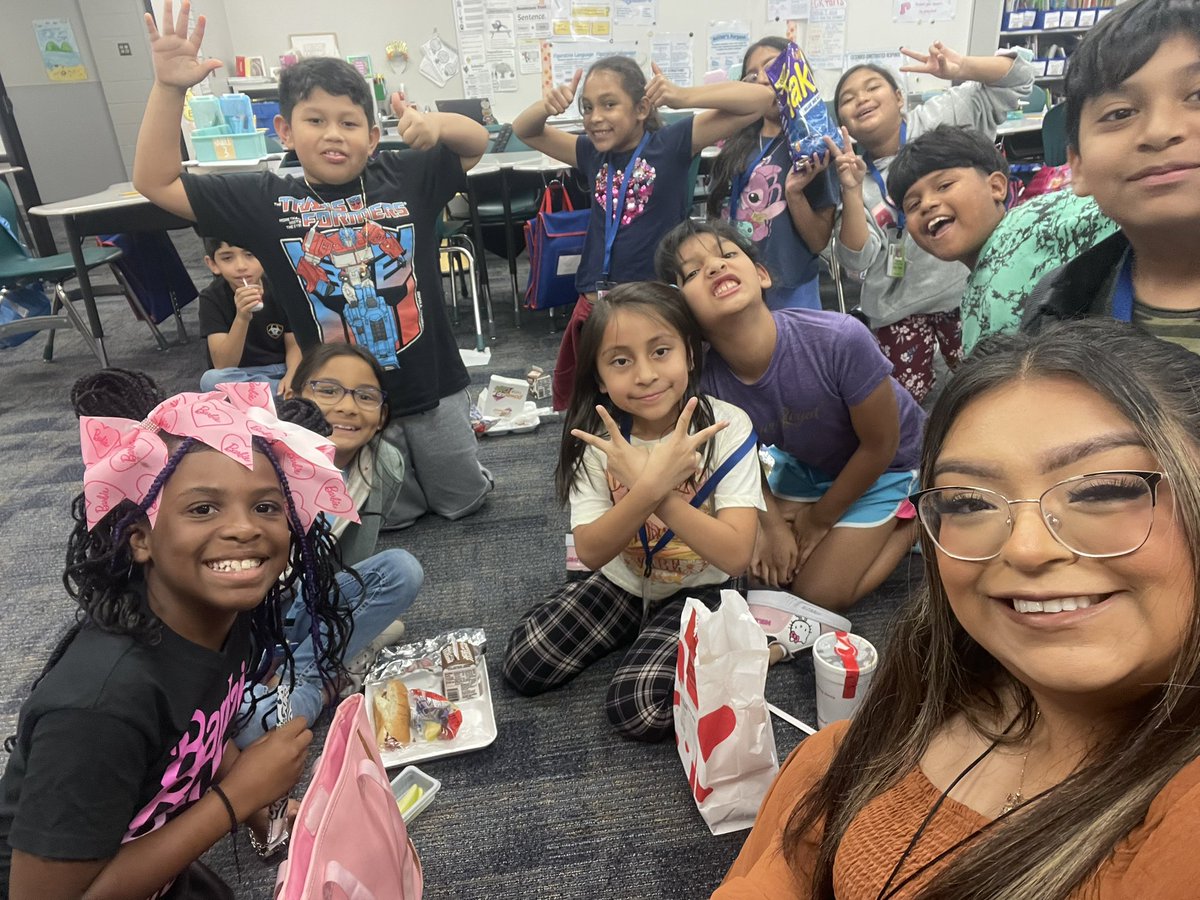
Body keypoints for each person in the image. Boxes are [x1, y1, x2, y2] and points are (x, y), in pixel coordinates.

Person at [715, 318, 1200, 899]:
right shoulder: (910, 703)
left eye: (1101, 489)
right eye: (969, 502)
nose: (1025, 547)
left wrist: (817, 521)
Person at [132, 0, 493, 530]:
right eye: (315, 120)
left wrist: (434, 123)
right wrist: (168, 89)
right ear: (284, 130)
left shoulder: (404, 175)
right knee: (383, 518)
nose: (333, 134)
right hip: (341, 400)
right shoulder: (266, 198)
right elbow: (155, 181)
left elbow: (477, 140)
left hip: (431, 382)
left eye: (350, 122)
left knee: (463, 502)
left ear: (372, 137)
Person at [0, 371, 356, 899]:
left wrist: (262, 813)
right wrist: (234, 800)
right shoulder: (101, 706)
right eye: (202, 508)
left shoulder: (224, 623)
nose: (244, 528)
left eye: (266, 506)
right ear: (140, 538)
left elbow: (199, 734)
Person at [503, 282, 763, 742]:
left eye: (660, 351)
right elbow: (590, 551)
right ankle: (644, 632)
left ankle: (748, 645)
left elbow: (736, 555)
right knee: (523, 664)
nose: (644, 375)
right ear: (600, 377)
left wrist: (655, 489)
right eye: (621, 361)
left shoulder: (726, 426)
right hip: (624, 577)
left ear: (689, 354)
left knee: (637, 709)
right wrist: (649, 488)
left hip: (703, 586)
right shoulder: (598, 437)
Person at [656, 219, 925, 613]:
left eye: (728, 255)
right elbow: (738, 460)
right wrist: (769, 526)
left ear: (761, 275)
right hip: (808, 462)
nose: (714, 267)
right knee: (755, 566)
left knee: (817, 593)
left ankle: (914, 516)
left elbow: (881, 444)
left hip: (891, 462)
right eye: (694, 272)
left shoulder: (838, 339)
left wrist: (819, 520)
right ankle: (818, 513)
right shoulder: (705, 382)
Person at [512, 55, 775, 410]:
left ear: (641, 108)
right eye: (587, 108)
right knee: (596, 402)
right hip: (596, 304)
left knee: (655, 400)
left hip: (653, 304)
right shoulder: (590, 153)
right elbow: (524, 130)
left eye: (609, 104)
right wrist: (547, 106)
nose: (595, 118)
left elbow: (759, 101)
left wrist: (682, 97)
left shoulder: (669, 144)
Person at [232, 345, 424, 746]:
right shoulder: (259, 460)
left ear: (382, 415)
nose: (348, 407)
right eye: (328, 389)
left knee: (402, 571)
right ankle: (323, 684)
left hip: (310, 602)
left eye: (366, 396)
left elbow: (353, 563)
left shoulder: (383, 464)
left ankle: (307, 672)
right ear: (295, 395)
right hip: (249, 611)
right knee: (250, 727)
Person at [824, 44, 1035, 403]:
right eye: (848, 98)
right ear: (844, 123)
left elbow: (1019, 79)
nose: (861, 98)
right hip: (896, 308)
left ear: (899, 96)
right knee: (905, 402)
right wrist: (852, 191)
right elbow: (857, 261)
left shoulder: (946, 113)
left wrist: (963, 66)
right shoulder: (852, 172)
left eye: (872, 87)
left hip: (966, 292)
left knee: (993, 385)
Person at [1023, 0, 1200, 355]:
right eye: (1119, 113)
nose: (1160, 131)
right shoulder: (1056, 307)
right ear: (1078, 166)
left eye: (1196, 95)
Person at [885, 124, 1117, 355]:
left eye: (944, 185)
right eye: (913, 205)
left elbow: (1120, 213)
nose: (927, 204)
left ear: (996, 186)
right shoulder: (977, 284)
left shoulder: (1034, 222)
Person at [707, 37, 840, 311]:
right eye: (751, 76)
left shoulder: (811, 145)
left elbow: (818, 241)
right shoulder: (735, 145)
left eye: (772, 68)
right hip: (737, 283)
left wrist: (794, 194)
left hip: (791, 291)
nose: (762, 80)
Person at [198, 236, 300, 394]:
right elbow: (223, 365)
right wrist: (242, 317)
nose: (241, 266)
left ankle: (266, 396)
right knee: (211, 380)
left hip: (282, 367)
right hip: (240, 373)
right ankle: (287, 395)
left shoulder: (282, 289)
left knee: (320, 367)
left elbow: (294, 344)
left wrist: (292, 375)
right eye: (227, 258)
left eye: (250, 255)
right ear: (213, 264)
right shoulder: (211, 298)